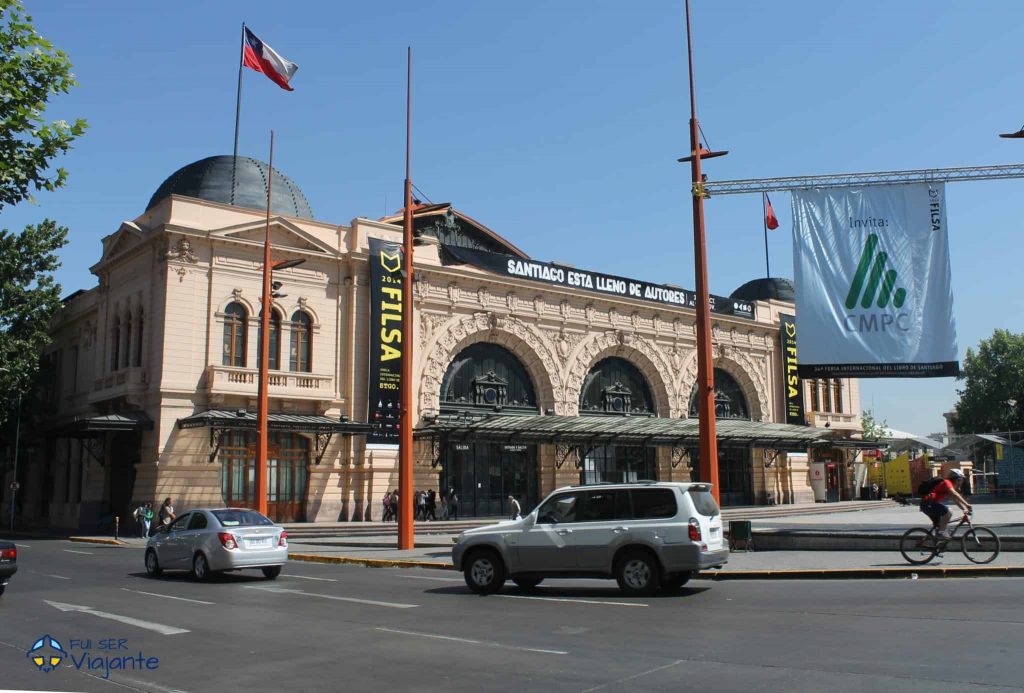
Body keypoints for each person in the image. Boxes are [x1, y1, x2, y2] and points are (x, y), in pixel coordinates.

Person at [920, 469, 972, 541]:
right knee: (949, 511)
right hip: (928, 504)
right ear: (957, 479)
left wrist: (964, 509)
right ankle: (941, 533)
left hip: (930, 504)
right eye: (961, 479)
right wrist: (966, 504)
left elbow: (955, 499)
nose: (961, 482)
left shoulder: (950, 486)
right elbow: (955, 494)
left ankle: (936, 546)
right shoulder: (947, 482)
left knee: (942, 525)